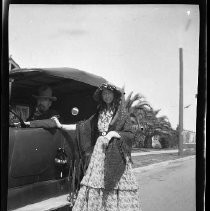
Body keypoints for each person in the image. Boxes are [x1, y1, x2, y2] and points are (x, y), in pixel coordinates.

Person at [52, 83, 142, 211]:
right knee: (96, 182)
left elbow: (129, 134)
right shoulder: (100, 113)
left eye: (109, 93)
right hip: (100, 151)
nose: (106, 96)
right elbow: (83, 127)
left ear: (114, 95)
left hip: (115, 152)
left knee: (115, 183)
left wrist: (111, 134)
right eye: (104, 94)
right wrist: (61, 126)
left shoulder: (122, 114)